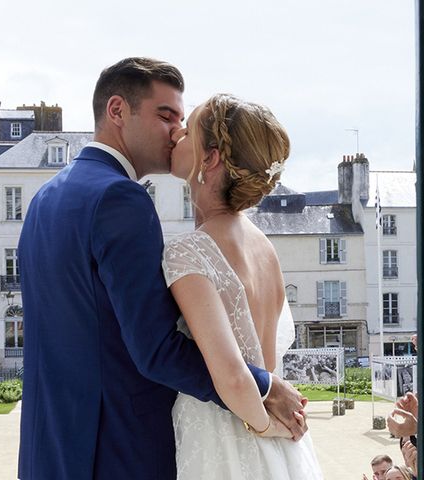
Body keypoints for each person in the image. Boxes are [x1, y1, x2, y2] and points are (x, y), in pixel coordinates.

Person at [17, 57, 306, 480]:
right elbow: (155, 350)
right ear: (117, 111)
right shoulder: (122, 199)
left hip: (52, 447)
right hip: (117, 450)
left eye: (184, 123)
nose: (176, 132)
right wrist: (264, 386)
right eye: (167, 116)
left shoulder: (44, 200)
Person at [163, 93, 321, 478]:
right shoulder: (264, 246)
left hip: (224, 441)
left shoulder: (189, 250)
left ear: (210, 159)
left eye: (190, 130)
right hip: (279, 447)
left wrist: (264, 428)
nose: (178, 132)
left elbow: (234, 375)